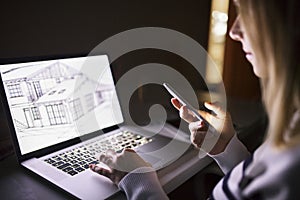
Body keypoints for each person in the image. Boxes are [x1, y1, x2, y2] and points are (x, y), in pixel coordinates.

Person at [90, 0, 300, 199]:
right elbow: (256, 186)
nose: (234, 32)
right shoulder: (293, 128)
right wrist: (228, 149)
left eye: (247, 12)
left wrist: (138, 182)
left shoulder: (293, 161)